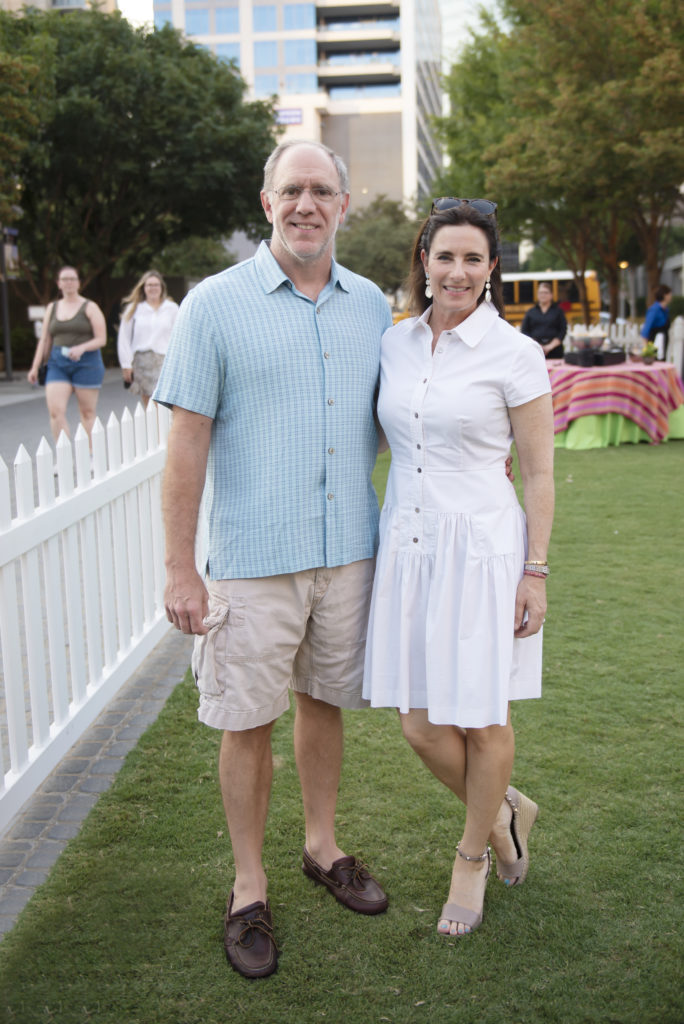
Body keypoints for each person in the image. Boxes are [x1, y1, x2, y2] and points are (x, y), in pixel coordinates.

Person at [154, 140, 392, 979]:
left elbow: (404, 411)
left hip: (348, 554)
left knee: (323, 704)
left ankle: (322, 849)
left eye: (321, 191)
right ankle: (247, 885)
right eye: (291, 190)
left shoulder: (373, 306)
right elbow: (185, 446)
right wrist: (182, 569)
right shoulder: (214, 306)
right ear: (265, 203)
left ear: (344, 203)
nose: (306, 205)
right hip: (253, 561)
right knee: (245, 721)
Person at [363, 198, 555, 938]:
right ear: (423, 259)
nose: (458, 270)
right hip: (408, 549)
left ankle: (474, 854)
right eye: (445, 255)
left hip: (483, 553)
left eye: (473, 258)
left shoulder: (514, 353)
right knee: (418, 724)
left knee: (483, 715)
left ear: (492, 269)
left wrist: (534, 571)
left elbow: (538, 473)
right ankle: (507, 808)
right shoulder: (395, 344)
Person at [27, 266, 107, 447]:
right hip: (58, 363)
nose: (68, 283)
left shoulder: (90, 307)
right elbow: (45, 339)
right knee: (56, 412)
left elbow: (101, 339)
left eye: (72, 279)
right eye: (64, 279)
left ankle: (92, 453)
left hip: (86, 363)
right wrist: (35, 365)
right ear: (58, 283)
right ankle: (64, 454)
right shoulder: (52, 308)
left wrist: (82, 348)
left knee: (87, 412)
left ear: (78, 282)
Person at [117, 270, 179, 407]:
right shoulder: (134, 309)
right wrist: (126, 364)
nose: (153, 288)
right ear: (143, 288)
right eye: (149, 285)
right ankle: (153, 427)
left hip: (165, 360)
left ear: (162, 287)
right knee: (149, 403)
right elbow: (124, 338)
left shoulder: (172, 308)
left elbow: (179, 336)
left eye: (156, 285)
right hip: (142, 360)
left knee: (165, 401)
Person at [520, 281, 567, 358]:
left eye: (546, 292)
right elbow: (525, 331)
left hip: (555, 351)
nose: (543, 295)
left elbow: (563, 330)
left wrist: (550, 346)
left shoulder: (558, 311)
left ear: (551, 295)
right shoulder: (530, 312)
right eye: (540, 293)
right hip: (535, 350)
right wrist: (537, 345)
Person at [640, 284, 672, 358]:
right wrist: (647, 352)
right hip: (653, 347)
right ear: (665, 295)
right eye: (670, 294)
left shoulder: (665, 310)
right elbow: (645, 331)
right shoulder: (654, 310)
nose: (671, 297)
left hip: (663, 345)